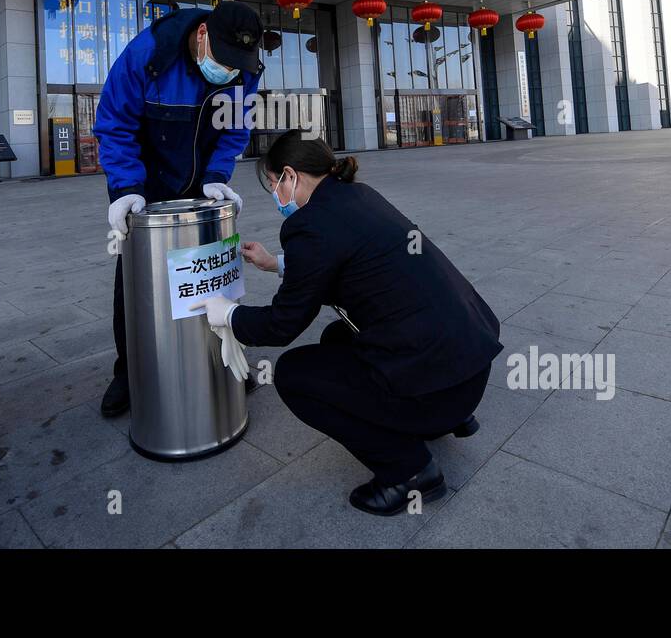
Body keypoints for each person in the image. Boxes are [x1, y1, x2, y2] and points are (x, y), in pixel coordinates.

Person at [201, 131, 503, 516]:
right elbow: (348, 258)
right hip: (468, 365)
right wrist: (276, 263)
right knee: (336, 336)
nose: (275, 192)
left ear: (291, 176)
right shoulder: (358, 196)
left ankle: (409, 472)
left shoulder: (308, 225)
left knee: (294, 375)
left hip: (440, 389)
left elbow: (282, 325)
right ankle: (448, 419)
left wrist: (227, 314)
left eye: (274, 182)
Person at [93, 0, 264, 417]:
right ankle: (130, 372)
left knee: (211, 273)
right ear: (202, 35)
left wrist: (218, 176)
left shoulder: (245, 70)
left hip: (201, 181)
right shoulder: (147, 55)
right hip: (145, 183)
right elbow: (115, 124)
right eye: (223, 61)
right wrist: (126, 188)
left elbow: (236, 128)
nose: (229, 71)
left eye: (237, 65)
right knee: (136, 281)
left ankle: (224, 359)